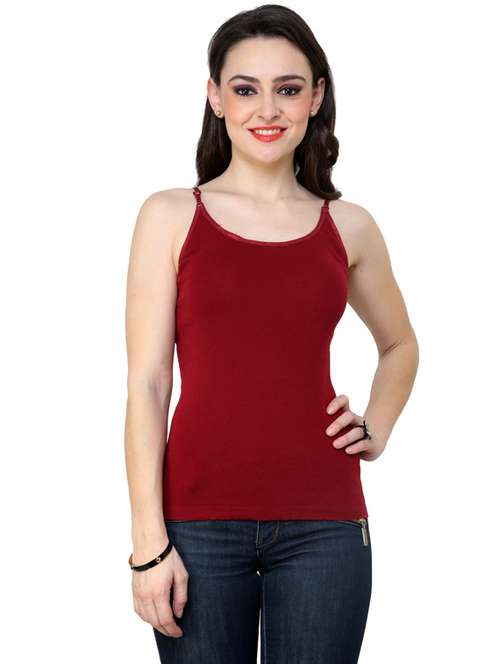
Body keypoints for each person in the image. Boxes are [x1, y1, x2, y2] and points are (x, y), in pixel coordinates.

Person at [124, 5, 419, 663]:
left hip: (325, 525)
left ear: (316, 96)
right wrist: (148, 544)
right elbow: (147, 384)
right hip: (195, 529)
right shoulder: (170, 215)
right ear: (215, 97)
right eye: (245, 88)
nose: (267, 109)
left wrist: (377, 427)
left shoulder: (350, 226)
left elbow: (401, 344)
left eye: (288, 88)